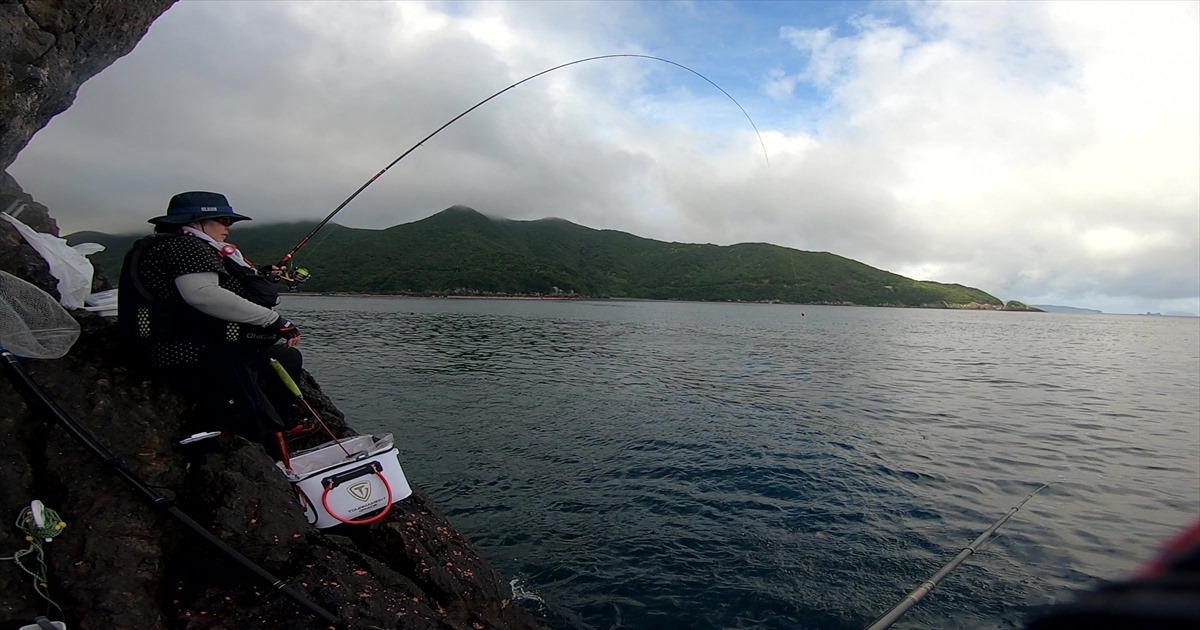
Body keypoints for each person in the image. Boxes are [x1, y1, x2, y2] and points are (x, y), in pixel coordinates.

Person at [117, 191, 315, 456]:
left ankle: (287, 424)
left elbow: (219, 284)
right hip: (193, 350)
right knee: (256, 416)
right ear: (197, 221)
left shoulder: (181, 246)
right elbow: (203, 294)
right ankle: (269, 453)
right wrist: (275, 320)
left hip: (209, 343)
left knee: (286, 358)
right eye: (222, 220)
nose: (228, 227)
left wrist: (264, 273)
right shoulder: (183, 247)